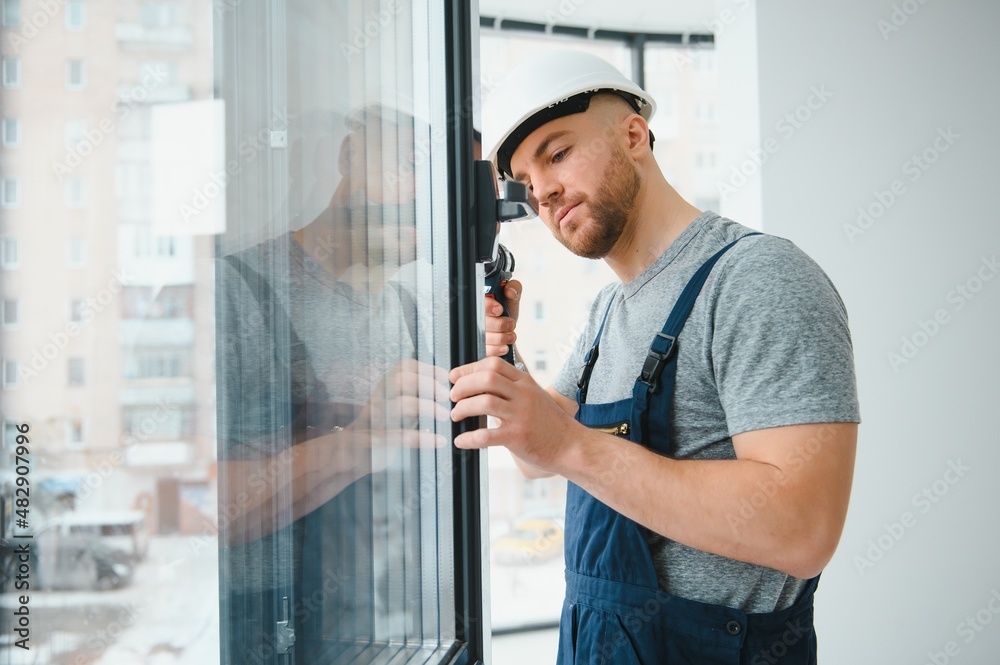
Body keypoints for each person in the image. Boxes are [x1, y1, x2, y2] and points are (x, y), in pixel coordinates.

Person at [451, 50, 860, 663]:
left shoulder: (757, 278)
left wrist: (569, 445)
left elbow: (803, 530)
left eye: (558, 153)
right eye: (529, 184)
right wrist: (508, 357)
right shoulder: (606, 313)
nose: (545, 192)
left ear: (634, 134)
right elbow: (542, 456)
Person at [216, 103, 448, 663]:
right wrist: (355, 444)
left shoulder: (416, 315)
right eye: (412, 166)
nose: (425, 200)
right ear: (352, 154)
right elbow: (190, 510)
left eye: (444, 189)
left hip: (394, 627)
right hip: (267, 632)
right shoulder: (234, 293)